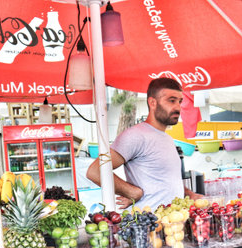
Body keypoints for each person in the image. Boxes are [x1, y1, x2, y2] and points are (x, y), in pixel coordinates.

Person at [86, 77, 202, 210]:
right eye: (171, 101)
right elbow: (95, 171)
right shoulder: (135, 136)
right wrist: (132, 192)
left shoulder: (167, 139)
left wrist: (189, 194)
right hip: (146, 226)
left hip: (171, 225)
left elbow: (167, 179)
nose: (177, 107)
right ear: (152, 102)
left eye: (180, 102)